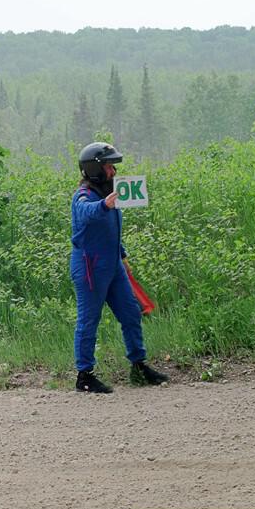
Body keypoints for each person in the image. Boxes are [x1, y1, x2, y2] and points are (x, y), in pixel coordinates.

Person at [70, 142, 168, 393]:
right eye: (109, 166)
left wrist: (122, 255)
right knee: (89, 320)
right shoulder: (84, 195)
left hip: (113, 265)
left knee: (130, 314)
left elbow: (110, 228)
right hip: (90, 267)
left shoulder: (108, 194)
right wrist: (105, 205)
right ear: (95, 169)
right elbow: (85, 213)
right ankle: (85, 376)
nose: (113, 171)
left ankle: (138, 365)